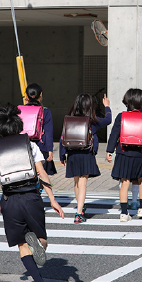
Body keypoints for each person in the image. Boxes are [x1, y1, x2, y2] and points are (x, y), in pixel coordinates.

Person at [0, 104, 64, 282]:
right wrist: (52, 199)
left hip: (10, 200)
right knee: (40, 239)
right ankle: (39, 244)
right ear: (18, 125)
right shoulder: (30, 145)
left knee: (22, 245)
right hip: (31, 197)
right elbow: (42, 173)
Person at [106, 88, 142, 222]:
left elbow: (114, 134)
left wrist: (109, 151)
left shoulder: (121, 116)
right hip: (141, 154)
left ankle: (124, 213)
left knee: (124, 182)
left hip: (123, 153)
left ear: (127, 101)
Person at [59, 93, 112, 223]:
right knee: (83, 183)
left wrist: (62, 155)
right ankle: (79, 213)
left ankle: (80, 207)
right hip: (86, 154)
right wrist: (107, 107)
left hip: (72, 154)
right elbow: (108, 120)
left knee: (76, 183)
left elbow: (62, 138)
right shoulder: (92, 121)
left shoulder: (69, 119)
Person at [24, 83, 57, 175]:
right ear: (41, 95)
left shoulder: (20, 110)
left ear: (27, 95)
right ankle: (40, 189)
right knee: (42, 174)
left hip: (24, 146)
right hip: (40, 146)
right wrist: (49, 150)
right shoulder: (45, 111)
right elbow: (48, 132)